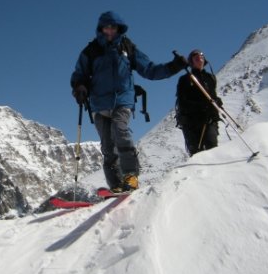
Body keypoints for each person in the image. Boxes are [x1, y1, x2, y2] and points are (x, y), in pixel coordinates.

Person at [70, 11, 187, 192]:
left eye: (113, 27)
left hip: (123, 99)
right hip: (98, 104)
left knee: (120, 129)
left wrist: (173, 67)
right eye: (106, 27)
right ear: (101, 29)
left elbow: (149, 69)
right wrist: (79, 87)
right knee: (108, 146)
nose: (110, 31)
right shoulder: (90, 51)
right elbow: (80, 74)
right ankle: (116, 184)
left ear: (119, 29)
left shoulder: (127, 48)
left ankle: (131, 175)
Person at [176, 49, 222, 156]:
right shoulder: (185, 79)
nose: (199, 57)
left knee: (212, 147)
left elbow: (212, 95)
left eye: (201, 56)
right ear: (191, 61)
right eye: (195, 57)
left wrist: (217, 102)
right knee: (197, 153)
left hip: (209, 118)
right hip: (192, 121)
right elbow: (182, 102)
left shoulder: (210, 78)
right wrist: (201, 106)